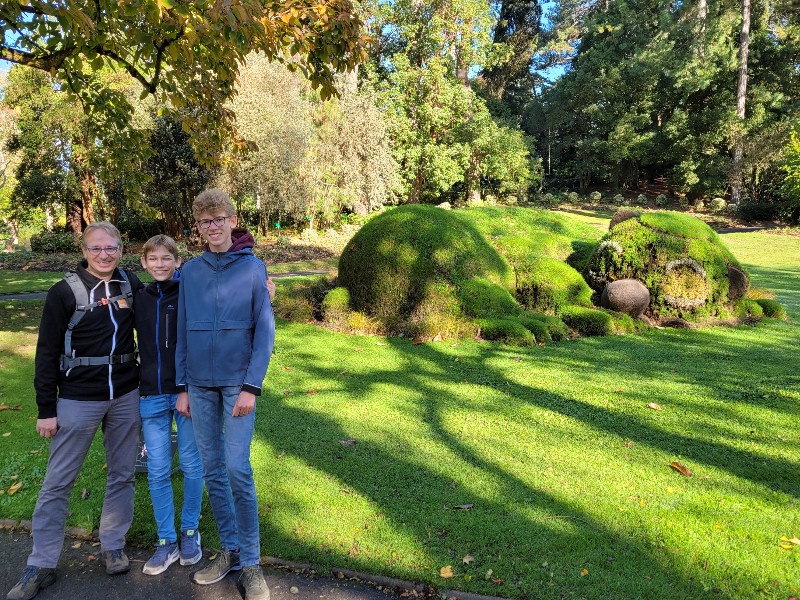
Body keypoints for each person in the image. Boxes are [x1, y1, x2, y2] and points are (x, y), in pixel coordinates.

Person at [8, 222, 142, 600]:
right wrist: (45, 409)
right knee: (57, 482)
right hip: (77, 399)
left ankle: (112, 544)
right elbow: (46, 353)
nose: (104, 254)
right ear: (84, 250)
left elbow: (167, 300)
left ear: (121, 248)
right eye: (96, 248)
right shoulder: (63, 292)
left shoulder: (130, 282)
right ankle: (41, 563)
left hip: (126, 395)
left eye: (111, 248)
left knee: (122, 474)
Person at [176, 189, 275, 600]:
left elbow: (265, 332)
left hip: (238, 384)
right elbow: (181, 330)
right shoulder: (191, 273)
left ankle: (251, 564)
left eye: (219, 219)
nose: (213, 227)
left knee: (237, 468)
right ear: (197, 227)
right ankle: (231, 550)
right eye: (204, 221)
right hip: (198, 384)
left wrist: (251, 386)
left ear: (233, 220)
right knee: (212, 470)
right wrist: (182, 386)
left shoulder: (253, 269)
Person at [134, 235, 204, 575]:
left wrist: (265, 290)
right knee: (158, 470)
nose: (160, 264)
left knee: (192, 465)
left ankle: (190, 531)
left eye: (167, 258)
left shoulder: (188, 293)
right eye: (153, 259)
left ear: (178, 261)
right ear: (144, 262)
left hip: (185, 393)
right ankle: (166, 541)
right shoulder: (139, 298)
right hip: (150, 393)